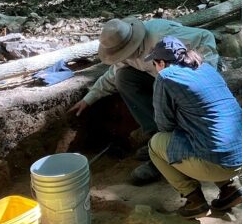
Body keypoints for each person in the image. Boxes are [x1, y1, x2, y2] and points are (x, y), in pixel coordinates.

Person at [69, 18, 218, 185]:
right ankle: (157, 141)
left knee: (171, 109)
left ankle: (166, 156)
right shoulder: (124, 53)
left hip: (184, 83)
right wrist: (88, 99)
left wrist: (202, 76)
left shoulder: (159, 36)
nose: (124, 58)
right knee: (123, 77)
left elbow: (205, 36)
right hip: (162, 81)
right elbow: (113, 74)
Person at [144, 36, 242, 218]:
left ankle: (194, 200)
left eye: (154, 64)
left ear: (160, 63)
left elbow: (164, 125)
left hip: (220, 163)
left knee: (155, 145)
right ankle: (231, 189)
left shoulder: (165, 77)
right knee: (209, 133)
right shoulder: (205, 68)